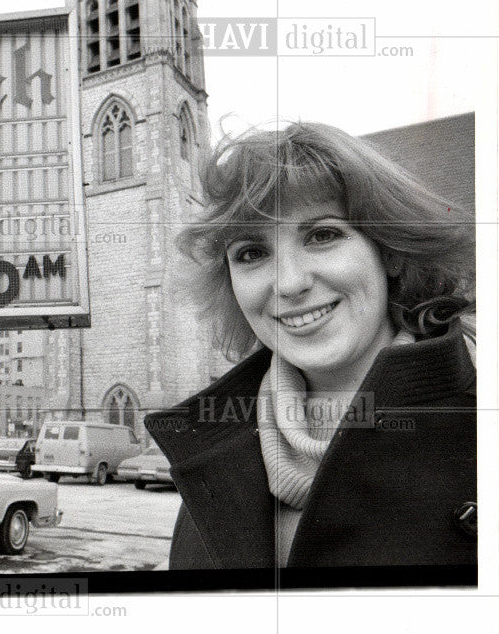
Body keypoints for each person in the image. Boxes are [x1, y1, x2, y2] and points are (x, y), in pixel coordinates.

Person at [145, 122, 476, 571]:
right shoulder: (214, 452)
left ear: (390, 252)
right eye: (251, 253)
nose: (289, 283)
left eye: (322, 235)